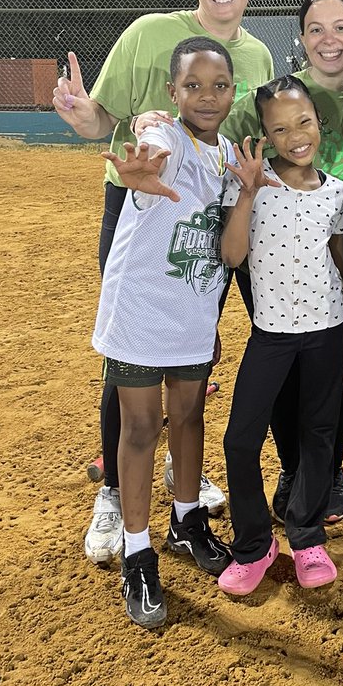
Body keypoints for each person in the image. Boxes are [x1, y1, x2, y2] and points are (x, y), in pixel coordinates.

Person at [52, 0, 273, 567]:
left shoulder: (257, 54)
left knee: (190, 335)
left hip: (213, 213)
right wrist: (84, 118)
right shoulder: (150, 33)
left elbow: (243, 141)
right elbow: (109, 120)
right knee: (132, 349)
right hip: (143, 198)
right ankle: (118, 496)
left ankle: (181, 487)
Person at [91, 37, 237, 627]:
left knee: (190, 417)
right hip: (141, 310)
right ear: (172, 93)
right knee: (142, 427)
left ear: (233, 92)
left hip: (193, 311)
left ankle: (184, 522)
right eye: (193, 85)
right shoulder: (164, 140)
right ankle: (137, 551)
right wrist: (136, 172)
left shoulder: (227, 154)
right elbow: (148, 146)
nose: (207, 95)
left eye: (219, 85)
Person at [220, 0, 343, 524]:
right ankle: (290, 467)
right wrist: (157, 126)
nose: (330, 39)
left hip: (335, 256)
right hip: (274, 268)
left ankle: (325, 473)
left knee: (329, 389)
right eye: (317, 29)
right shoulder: (267, 99)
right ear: (302, 39)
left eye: (341, 27)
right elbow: (211, 130)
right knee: (281, 380)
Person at [216, 76, 343, 596]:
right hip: (271, 334)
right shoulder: (249, 182)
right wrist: (249, 191)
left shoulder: (337, 193)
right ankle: (254, 544)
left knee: (320, 436)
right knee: (240, 440)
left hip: (327, 331)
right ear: (266, 136)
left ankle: (307, 534)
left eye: (304, 122)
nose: (296, 135)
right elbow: (232, 256)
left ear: (319, 122)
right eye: (280, 128)